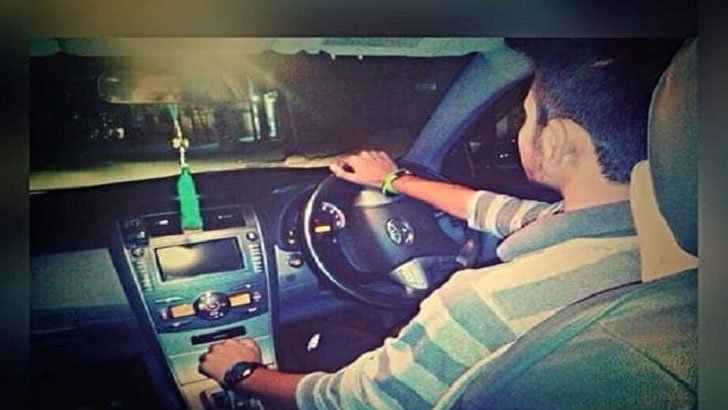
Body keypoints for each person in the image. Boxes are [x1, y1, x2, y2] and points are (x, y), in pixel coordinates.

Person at [199, 39, 677, 410]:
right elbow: (497, 210)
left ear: (554, 142)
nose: (520, 129)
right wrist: (393, 180)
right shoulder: (660, 232)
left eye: (527, 117)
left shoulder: (484, 302)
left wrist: (242, 373)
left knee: (332, 345)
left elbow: (355, 401)